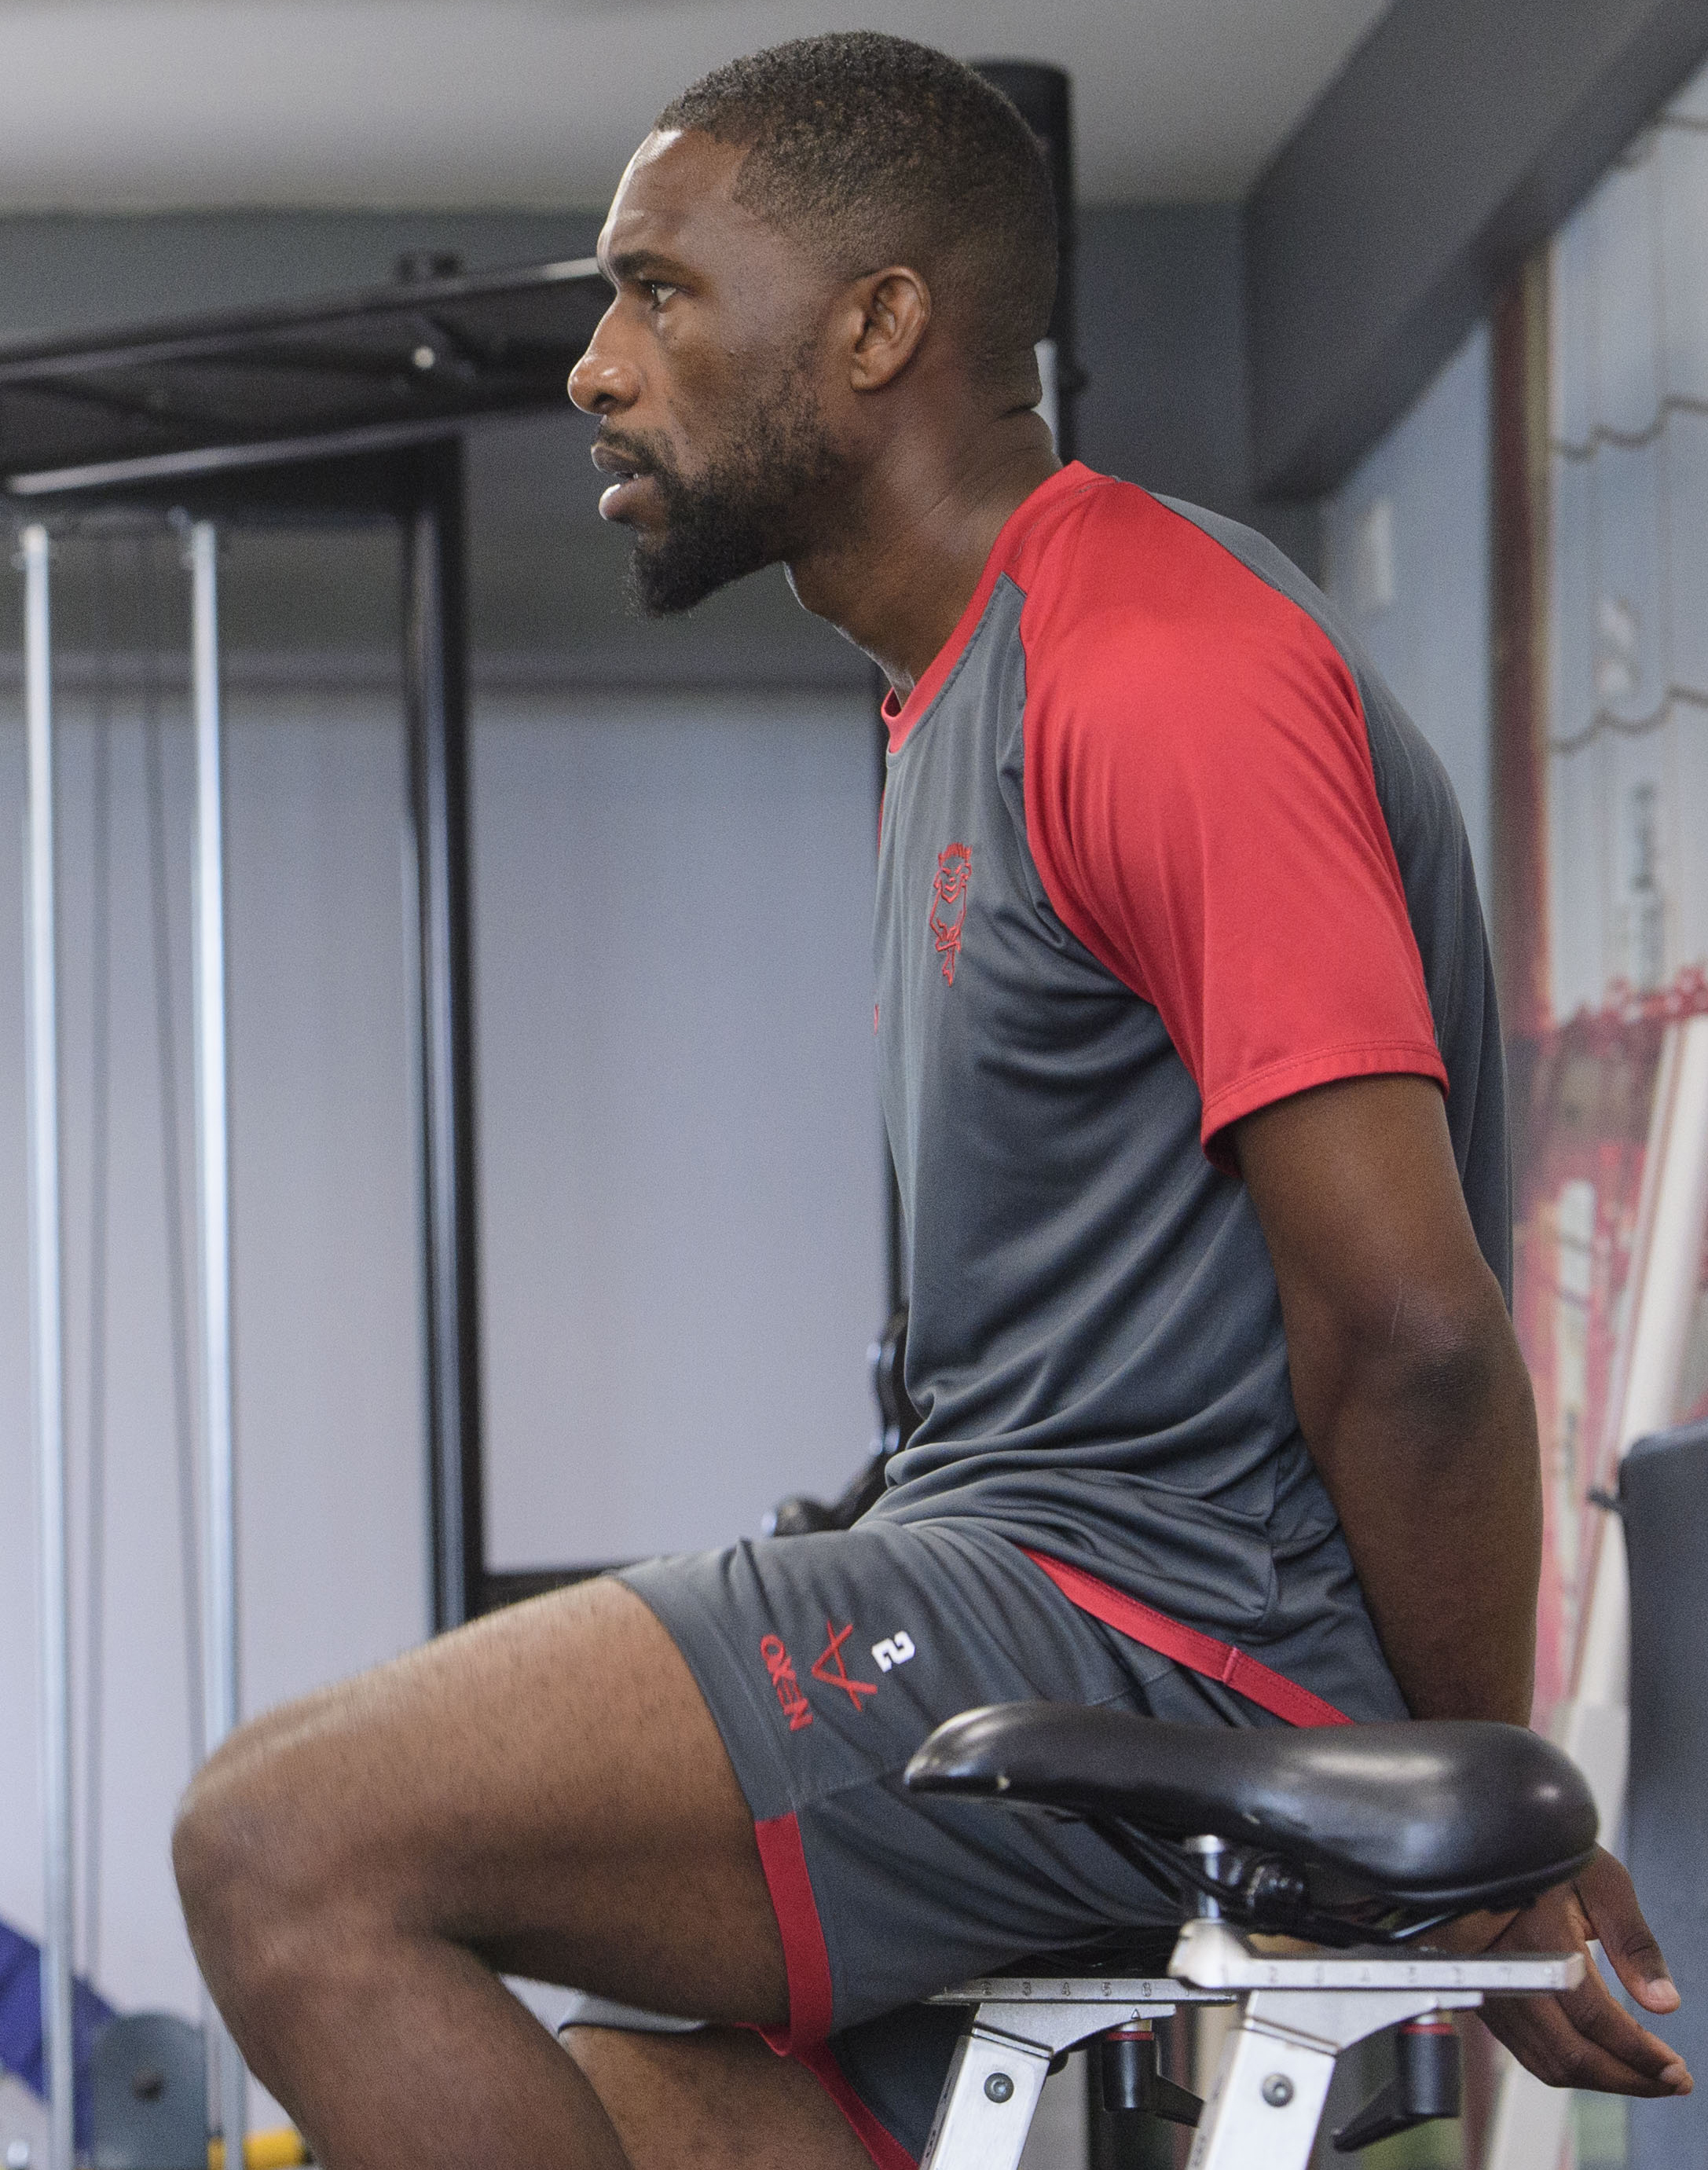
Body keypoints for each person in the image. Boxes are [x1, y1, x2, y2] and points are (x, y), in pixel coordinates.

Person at [170, 32, 1688, 2168]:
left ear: (881, 323)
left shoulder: (1160, 668)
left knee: (282, 1844)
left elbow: (1418, 1333)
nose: (598, 365)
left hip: (1159, 1632)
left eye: (659, 291)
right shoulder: (956, 691)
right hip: (1024, 1579)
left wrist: (1472, 1819)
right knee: (557, 2111)